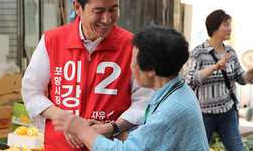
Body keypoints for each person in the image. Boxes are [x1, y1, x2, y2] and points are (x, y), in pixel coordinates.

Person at [21, 0, 153, 151]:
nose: (107, 19)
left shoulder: (132, 46)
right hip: (59, 147)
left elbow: (145, 101)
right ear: (77, 7)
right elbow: (31, 92)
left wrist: (112, 127)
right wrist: (66, 119)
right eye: (98, 10)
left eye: (113, 9)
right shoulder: (52, 40)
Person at [51, 23, 210, 151]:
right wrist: (111, 130)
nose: (130, 66)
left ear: (151, 69)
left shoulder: (171, 111)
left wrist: (81, 130)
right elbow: (146, 139)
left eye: (134, 60)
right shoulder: (176, 92)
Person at [184, 9, 253, 151]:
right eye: (226, 24)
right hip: (204, 114)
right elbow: (188, 79)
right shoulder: (199, 52)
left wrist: (251, 72)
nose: (230, 28)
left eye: (230, 24)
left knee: (237, 149)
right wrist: (214, 68)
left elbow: (242, 78)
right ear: (214, 28)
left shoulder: (231, 52)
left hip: (227, 112)